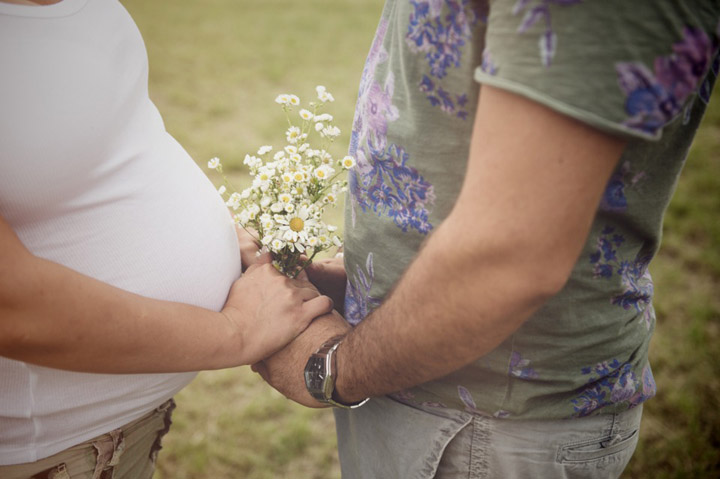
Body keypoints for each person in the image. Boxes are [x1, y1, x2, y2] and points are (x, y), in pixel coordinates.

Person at [254, 0, 720, 477]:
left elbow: (514, 255)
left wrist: (331, 370)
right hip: (424, 383)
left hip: (484, 423)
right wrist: (369, 281)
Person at [0, 0, 333, 477]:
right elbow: (9, 302)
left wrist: (214, 236)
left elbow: (94, 136)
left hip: (124, 435)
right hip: (47, 455)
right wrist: (234, 332)